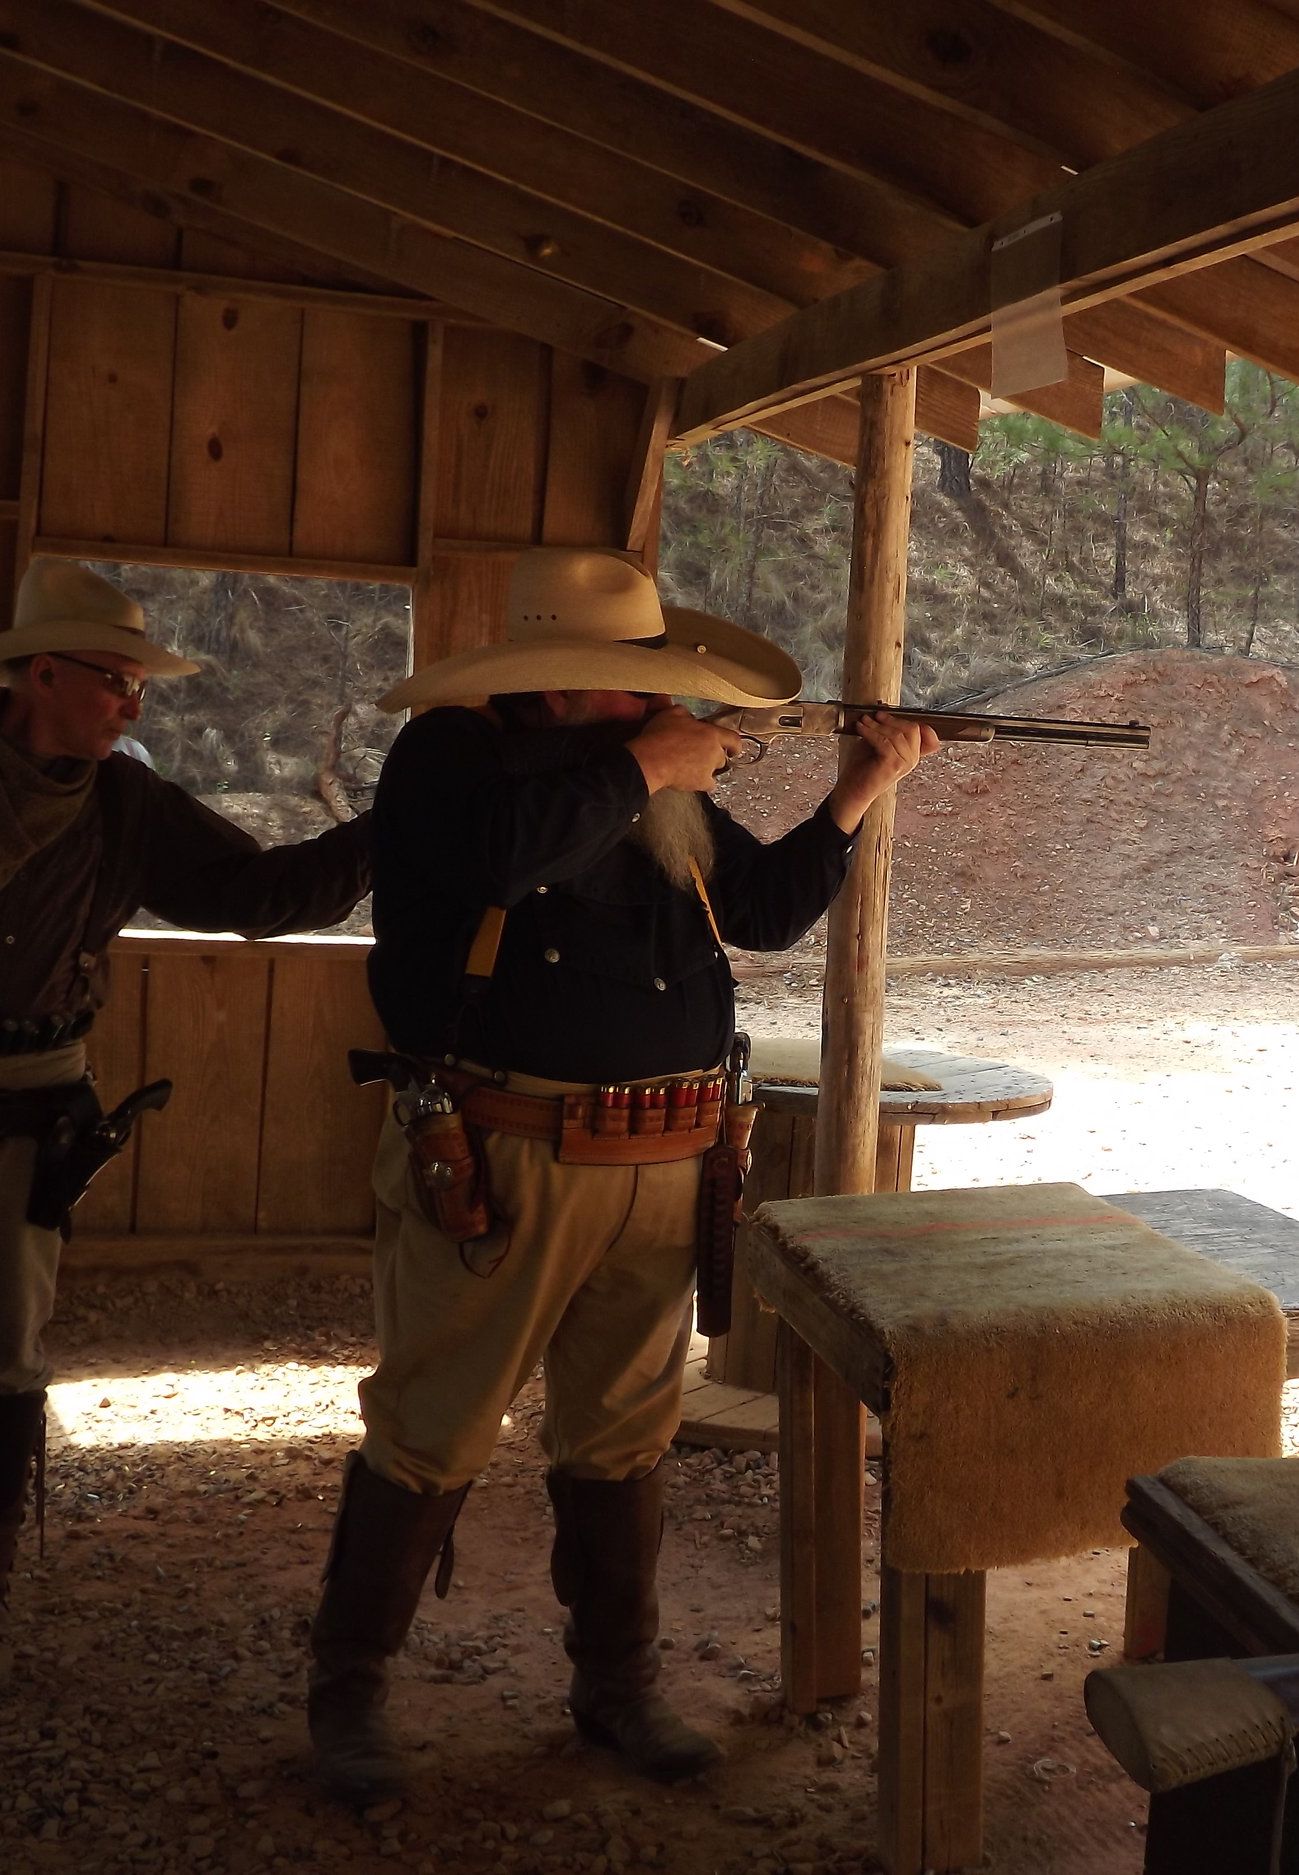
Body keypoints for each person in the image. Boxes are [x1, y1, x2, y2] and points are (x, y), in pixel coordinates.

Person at [306, 550, 934, 1800]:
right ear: (563, 683)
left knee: (624, 1436)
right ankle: (349, 1694)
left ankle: (618, 1688)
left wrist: (856, 795)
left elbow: (755, 910)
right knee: (431, 1428)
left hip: (668, 1153)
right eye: (630, 681)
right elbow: (492, 862)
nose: (654, 700)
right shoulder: (455, 761)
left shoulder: (654, 777)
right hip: (500, 1150)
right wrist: (648, 762)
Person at [0, 559, 373, 1700]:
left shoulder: (127, 803)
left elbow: (257, 899)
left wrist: (407, 827)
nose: (133, 708)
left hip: (40, 1104)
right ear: (40, 673)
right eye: (115, 684)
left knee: (5, 1357)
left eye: (139, 689)